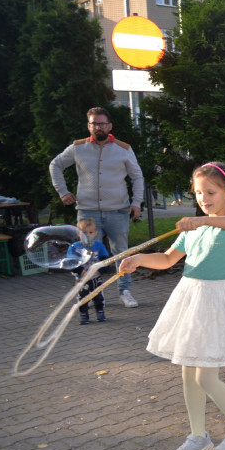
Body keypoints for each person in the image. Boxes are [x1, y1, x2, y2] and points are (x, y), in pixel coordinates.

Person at [119, 162, 225, 450]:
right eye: (199, 193)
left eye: (211, 192)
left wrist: (202, 222)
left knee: (206, 378)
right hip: (190, 299)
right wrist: (139, 260)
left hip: (217, 302)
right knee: (188, 372)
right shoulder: (193, 230)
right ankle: (197, 436)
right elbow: (166, 259)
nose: (204, 198)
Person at [50, 107, 144, 308]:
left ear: (109, 126)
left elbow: (137, 177)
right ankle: (90, 292)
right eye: (94, 123)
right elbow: (55, 165)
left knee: (121, 253)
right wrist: (63, 192)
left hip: (118, 210)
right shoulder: (77, 148)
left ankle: (125, 291)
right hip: (87, 211)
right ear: (88, 125)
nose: (98, 127)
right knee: (87, 253)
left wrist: (136, 202)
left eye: (102, 123)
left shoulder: (123, 149)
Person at [66, 218, 110, 325]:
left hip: (95, 277)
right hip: (82, 278)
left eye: (90, 232)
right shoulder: (74, 247)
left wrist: (101, 270)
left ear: (95, 233)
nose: (87, 235)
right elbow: (71, 262)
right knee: (82, 297)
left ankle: (100, 312)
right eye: (84, 233)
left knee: (98, 296)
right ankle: (84, 315)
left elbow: (106, 259)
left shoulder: (99, 246)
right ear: (78, 233)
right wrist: (80, 271)